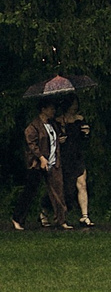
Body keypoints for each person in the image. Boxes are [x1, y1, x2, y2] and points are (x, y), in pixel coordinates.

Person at [13, 100, 64, 231]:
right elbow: (31, 144)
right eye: (51, 108)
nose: (53, 111)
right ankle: (17, 218)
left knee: (58, 190)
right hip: (38, 164)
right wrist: (41, 158)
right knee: (30, 191)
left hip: (53, 161)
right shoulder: (34, 126)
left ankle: (61, 219)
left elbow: (53, 140)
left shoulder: (53, 124)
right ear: (43, 109)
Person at [56, 99, 92, 230]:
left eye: (76, 103)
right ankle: (47, 209)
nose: (75, 106)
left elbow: (84, 138)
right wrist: (60, 140)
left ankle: (85, 215)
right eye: (73, 104)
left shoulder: (80, 119)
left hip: (77, 155)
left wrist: (86, 133)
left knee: (82, 184)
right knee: (65, 188)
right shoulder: (59, 121)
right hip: (65, 156)